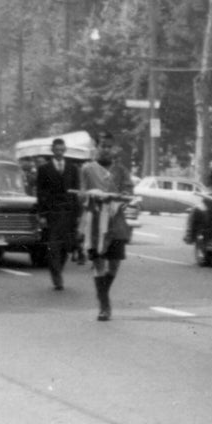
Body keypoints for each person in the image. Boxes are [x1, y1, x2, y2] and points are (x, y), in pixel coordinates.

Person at [77, 130, 134, 320]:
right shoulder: (87, 169)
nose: (107, 150)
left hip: (116, 221)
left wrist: (119, 200)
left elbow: (128, 192)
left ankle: (103, 292)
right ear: (96, 147)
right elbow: (82, 195)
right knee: (98, 263)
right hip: (95, 222)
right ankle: (104, 305)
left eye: (110, 147)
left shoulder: (121, 170)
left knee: (115, 264)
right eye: (103, 146)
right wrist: (91, 195)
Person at [34, 138, 81, 291]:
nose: (60, 152)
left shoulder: (73, 169)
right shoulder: (44, 169)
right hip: (52, 212)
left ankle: (58, 269)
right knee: (54, 245)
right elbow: (40, 193)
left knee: (66, 245)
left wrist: (78, 213)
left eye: (62, 149)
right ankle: (56, 277)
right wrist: (41, 214)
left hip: (69, 212)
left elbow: (77, 193)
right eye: (57, 149)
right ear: (52, 150)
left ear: (65, 150)